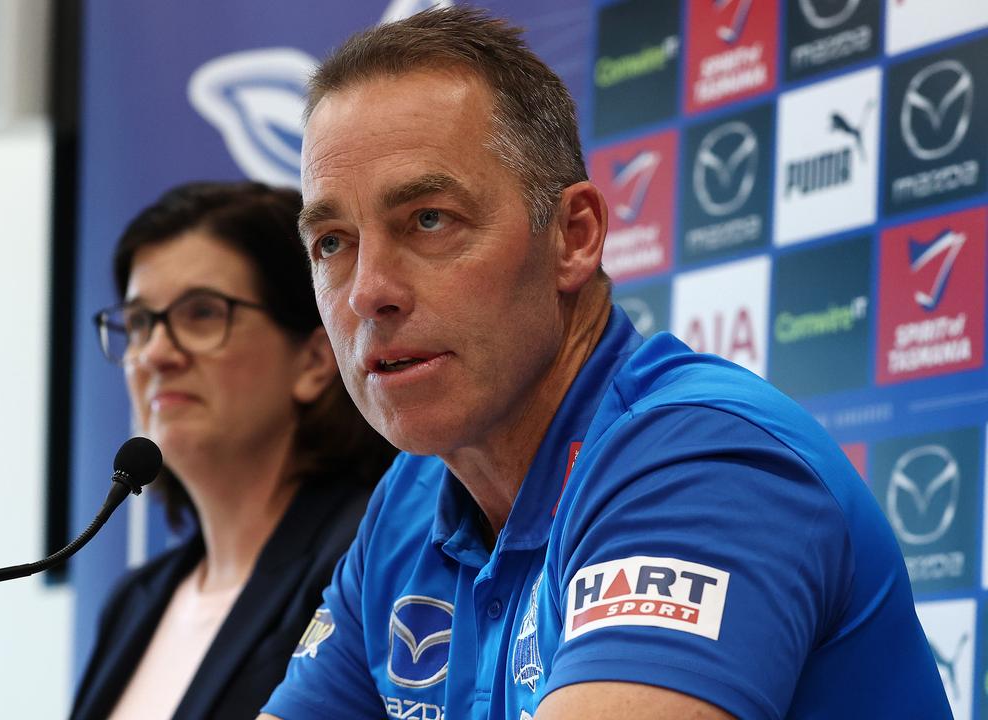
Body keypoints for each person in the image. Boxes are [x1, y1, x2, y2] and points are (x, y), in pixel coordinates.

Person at [260, 8, 950, 720]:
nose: (369, 291)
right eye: (333, 243)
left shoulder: (705, 465)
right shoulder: (409, 505)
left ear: (574, 237)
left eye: (430, 220)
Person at [71, 181, 395, 720]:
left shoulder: (365, 556)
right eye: (140, 323)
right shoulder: (133, 602)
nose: (155, 353)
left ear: (315, 360)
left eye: (201, 313)